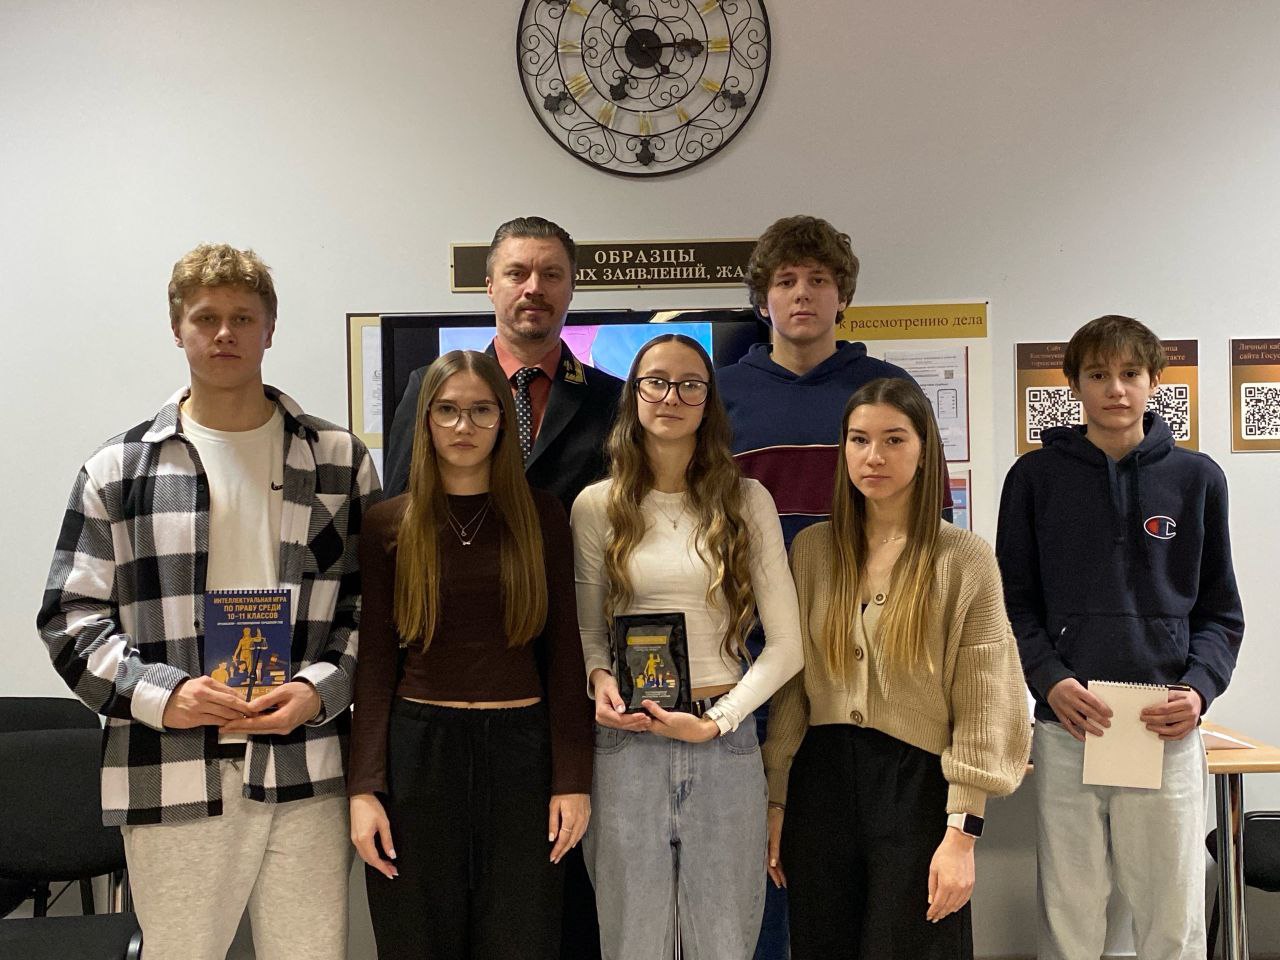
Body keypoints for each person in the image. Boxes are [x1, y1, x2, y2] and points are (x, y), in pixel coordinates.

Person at [36, 243, 380, 960]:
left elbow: (372, 612)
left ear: (270, 329)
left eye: (243, 318)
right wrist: (166, 695)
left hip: (306, 762)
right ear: (178, 329)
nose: (225, 333)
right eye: (206, 318)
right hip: (171, 770)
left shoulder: (339, 460)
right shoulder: (118, 470)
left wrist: (318, 691)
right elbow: (70, 620)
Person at [718, 214, 952, 958]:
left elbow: (932, 528)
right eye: (785, 280)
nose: (802, 294)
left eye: (818, 280)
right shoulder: (723, 395)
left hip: (862, 665)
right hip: (754, 660)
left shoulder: (886, 390)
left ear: (842, 295)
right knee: (761, 864)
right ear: (763, 298)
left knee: (844, 875)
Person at [996, 315, 1244, 960]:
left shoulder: (1197, 479)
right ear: (1074, 384)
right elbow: (1013, 605)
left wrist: (1198, 690)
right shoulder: (1034, 479)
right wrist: (1050, 680)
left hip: (1162, 725)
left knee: (1171, 915)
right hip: (1069, 725)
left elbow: (1221, 612)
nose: (1116, 389)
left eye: (1131, 373)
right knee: (1069, 911)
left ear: (1154, 380)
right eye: (1098, 375)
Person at [763, 377, 1030, 960]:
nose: (874, 457)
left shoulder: (963, 559)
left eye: (894, 439)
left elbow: (985, 698)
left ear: (925, 449)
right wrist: (776, 799)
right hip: (821, 783)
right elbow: (791, 691)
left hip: (917, 787)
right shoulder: (812, 550)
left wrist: (963, 834)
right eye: (859, 440)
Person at [349, 350, 593, 960]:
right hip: (418, 755)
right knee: (417, 939)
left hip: (523, 757)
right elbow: (374, 667)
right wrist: (364, 789)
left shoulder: (542, 515)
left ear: (504, 420)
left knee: (522, 938)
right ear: (426, 420)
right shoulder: (386, 524)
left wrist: (572, 780)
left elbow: (565, 656)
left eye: (482, 410)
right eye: (448, 410)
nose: (464, 426)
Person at [572, 333, 804, 959]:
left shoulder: (746, 501)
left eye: (690, 385)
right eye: (656, 382)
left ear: (708, 401)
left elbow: (788, 646)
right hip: (627, 745)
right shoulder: (596, 506)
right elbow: (590, 633)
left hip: (722, 741)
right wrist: (599, 679)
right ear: (634, 395)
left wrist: (719, 721)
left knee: (723, 941)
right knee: (633, 942)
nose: (671, 396)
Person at [384, 216, 623, 512]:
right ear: (490, 287)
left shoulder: (614, 398)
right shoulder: (429, 388)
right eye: (516, 274)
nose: (534, 288)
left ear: (572, 288)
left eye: (551, 275)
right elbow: (399, 506)